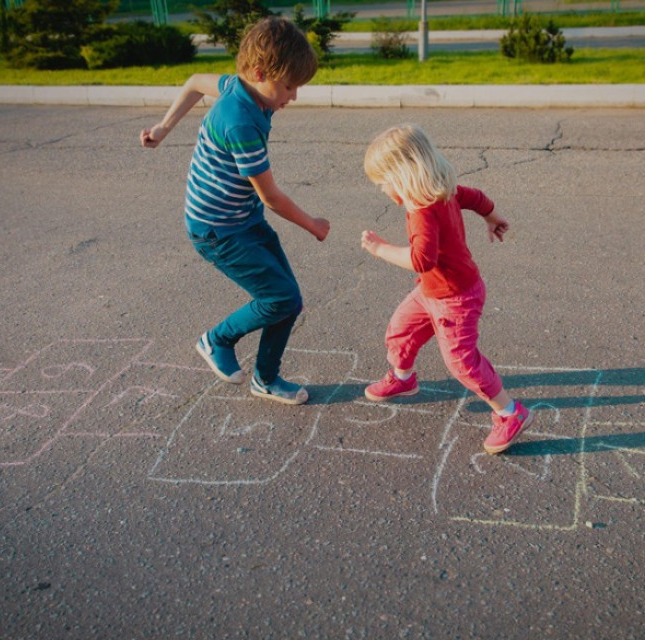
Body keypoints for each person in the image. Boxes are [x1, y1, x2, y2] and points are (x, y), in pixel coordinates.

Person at [140, 17, 330, 405]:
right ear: (260, 73)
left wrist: (163, 127)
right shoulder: (241, 122)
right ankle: (216, 340)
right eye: (289, 86)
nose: (293, 96)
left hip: (240, 219)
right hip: (218, 231)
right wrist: (313, 224)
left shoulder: (238, 86)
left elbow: (194, 81)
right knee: (278, 298)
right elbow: (271, 196)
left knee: (287, 299)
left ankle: (265, 379)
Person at [360, 123, 533, 455]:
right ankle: (403, 377)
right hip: (433, 291)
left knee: (461, 363)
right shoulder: (442, 190)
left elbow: (421, 258)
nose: (383, 191)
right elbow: (477, 198)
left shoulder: (421, 211)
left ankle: (510, 413)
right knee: (401, 328)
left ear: (402, 176)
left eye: (383, 184)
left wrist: (380, 249)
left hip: (455, 298)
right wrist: (492, 218)